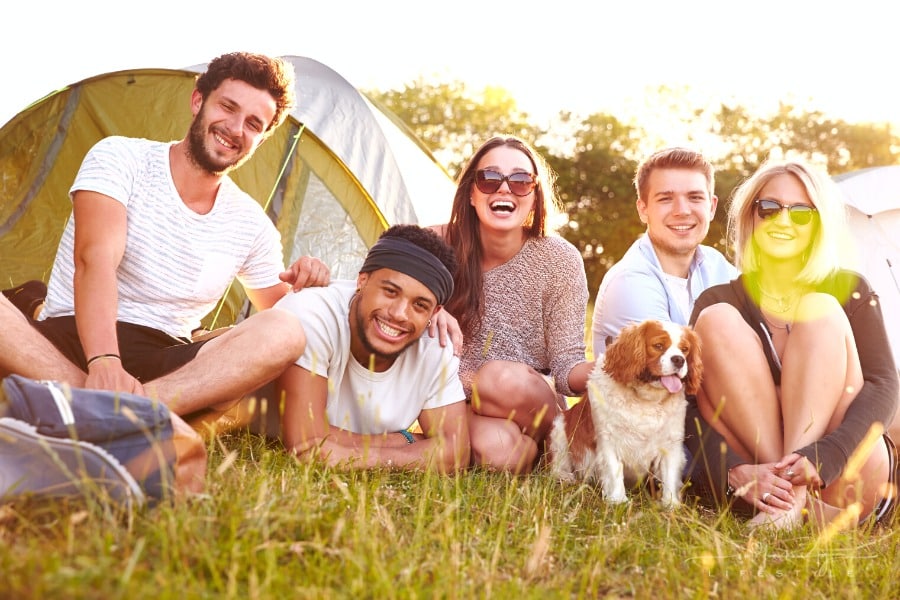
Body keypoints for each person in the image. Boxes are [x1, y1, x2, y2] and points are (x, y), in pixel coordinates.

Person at [0, 51, 329, 421]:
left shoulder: (251, 224)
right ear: (197, 100)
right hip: (69, 340)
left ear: (262, 138)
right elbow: (95, 259)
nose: (236, 128)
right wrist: (104, 361)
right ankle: (119, 412)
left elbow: (281, 313)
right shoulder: (121, 157)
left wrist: (309, 287)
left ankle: (115, 408)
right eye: (228, 107)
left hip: (165, 365)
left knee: (285, 331)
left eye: (253, 123)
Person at [687, 158, 899, 529]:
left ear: (819, 225)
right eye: (769, 208)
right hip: (757, 484)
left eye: (801, 213)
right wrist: (733, 470)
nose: (783, 221)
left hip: (842, 472)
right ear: (750, 216)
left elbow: (884, 385)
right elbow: (686, 403)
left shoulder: (851, 289)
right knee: (715, 320)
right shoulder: (716, 301)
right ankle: (788, 503)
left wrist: (822, 457)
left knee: (818, 308)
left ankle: (793, 501)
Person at [431, 135, 592, 474]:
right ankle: (530, 455)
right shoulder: (434, 245)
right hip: (455, 401)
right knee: (502, 454)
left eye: (521, 181)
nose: (504, 189)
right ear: (471, 194)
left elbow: (566, 368)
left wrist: (608, 370)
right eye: (489, 179)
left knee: (499, 378)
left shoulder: (559, 259)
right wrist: (431, 307)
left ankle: (562, 445)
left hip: (525, 396)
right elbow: (374, 290)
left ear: (534, 199)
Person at [263, 225, 469, 472]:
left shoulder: (435, 345)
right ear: (362, 280)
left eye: (420, 305)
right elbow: (307, 447)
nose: (399, 314)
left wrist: (367, 457)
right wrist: (403, 442)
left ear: (435, 313)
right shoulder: (312, 313)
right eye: (390, 292)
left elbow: (455, 454)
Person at [591, 147, 737, 354]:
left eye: (695, 197)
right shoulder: (629, 282)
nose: (682, 211)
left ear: (712, 207)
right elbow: (675, 373)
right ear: (643, 209)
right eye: (666, 199)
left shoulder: (717, 265)